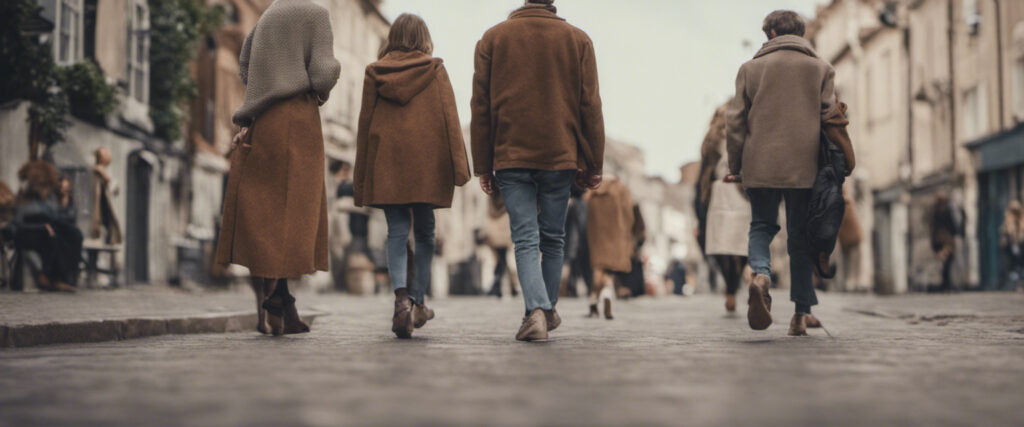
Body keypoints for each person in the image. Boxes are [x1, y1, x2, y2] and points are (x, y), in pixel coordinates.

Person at [472, 0, 605, 341]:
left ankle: (537, 312)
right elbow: (590, 104)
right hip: (560, 153)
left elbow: (481, 107)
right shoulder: (578, 40)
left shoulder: (492, 39)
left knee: (525, 238)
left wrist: (483, 164)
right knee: (554, 238)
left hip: (510, 152)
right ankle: (544, 310)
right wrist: (594, 163)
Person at [214, 0, 340, 336]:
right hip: (299, 120)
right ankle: (281, 298)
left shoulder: (268, 15)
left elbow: (245, 65)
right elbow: (324, 71)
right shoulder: (317, 14)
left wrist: (267, 87)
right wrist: (321, 89)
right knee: (297, 213)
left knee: (269, 214)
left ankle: (281, 299)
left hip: (265, 121)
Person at [354, 14, 471, 339]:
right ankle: (419, 300)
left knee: (396, 232)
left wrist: (362, 176)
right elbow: (450, 119)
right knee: (425, 234)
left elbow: (365, 125)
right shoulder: (435, 70)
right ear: (423, 38)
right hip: (427, 163)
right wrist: (460, 168)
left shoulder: (375, 72)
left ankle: (402, 301)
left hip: (387, 162)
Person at [725, 10, 836, 336]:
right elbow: (830, 117)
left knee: (761, 225)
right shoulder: (821, 69)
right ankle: (800, 315)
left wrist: (735, 166)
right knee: (800, 237)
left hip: (760, 164)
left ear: (771, 33)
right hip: (806, 167)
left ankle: (760, 274)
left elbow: (735, 123)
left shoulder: (750, 69)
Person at [698, 104, 750, 314]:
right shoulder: (714, 141)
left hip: (732, 192)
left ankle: (733, 286)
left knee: (733, 245)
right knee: (728, 246)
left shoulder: (740, 133)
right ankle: (733, 284)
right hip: (727, 192)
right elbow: (704, 172)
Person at [12, 161, 81, 292]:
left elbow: (55, 217)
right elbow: (19, 224)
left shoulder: (48, 200)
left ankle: (66, 277)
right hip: (28, 233)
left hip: (46, 229)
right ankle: (47, 276)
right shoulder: (25, 199)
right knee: (52, 237)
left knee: (73, 234)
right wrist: (43, 227)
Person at [584, 177, 633, 320]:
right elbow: (629, 214)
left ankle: (594, 298)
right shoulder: (621, 189)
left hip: (597, 234)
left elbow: (586, 215)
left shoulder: (593, 191)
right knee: (610, 269)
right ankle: (607, 293)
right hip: (616, 233)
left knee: (599, 267)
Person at [484, 193, 519, 298]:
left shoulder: (491, 195)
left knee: (501, 260)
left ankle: (499, 285)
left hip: (495, 232)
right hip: (504, 232)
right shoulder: (508, 194)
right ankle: (507, 286)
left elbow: (487, 213)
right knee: (503, 260)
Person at [930, 192, 964, 292]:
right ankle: (946, 284)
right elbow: (953, 225)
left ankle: (946, 284)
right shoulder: (945, 211)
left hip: (940, 240)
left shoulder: (936, 211)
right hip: (946, 241)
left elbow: (933, 228)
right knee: (947, 262)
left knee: (946, 262)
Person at [90, 147, 121, 245]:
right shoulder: (95, 172)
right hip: (96, 211)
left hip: (105, 210)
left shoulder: (105, 174)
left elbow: (115, 190)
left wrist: (107, 178)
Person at [1003, 201, 1024, 291]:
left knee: (1020, 266)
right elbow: (1005, 233)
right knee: (1013, 267)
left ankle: (1020, 284)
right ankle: (1014, 284)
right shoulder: (1008, 221)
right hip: (1011, 247)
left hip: (1021, 245)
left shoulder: (1022, 221)